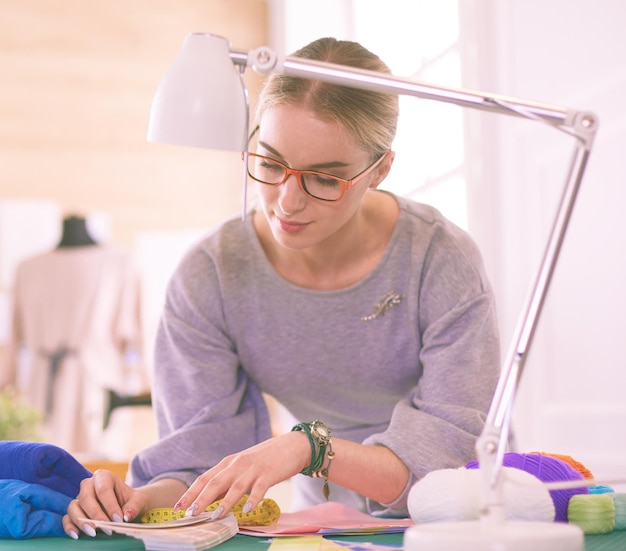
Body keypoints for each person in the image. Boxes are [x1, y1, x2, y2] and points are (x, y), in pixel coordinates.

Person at [63, 37, 500, 539]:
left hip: (462, 516)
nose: (287, 202)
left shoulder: (439, 258)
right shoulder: (211, 276)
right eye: (270, 165)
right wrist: (134, 500)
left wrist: (309, 448)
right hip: (328, 523)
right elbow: (197, 459)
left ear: (380, 169)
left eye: (324, 179)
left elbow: (447, 458)